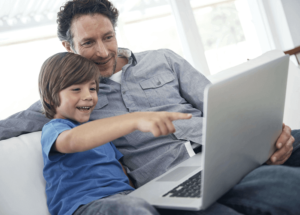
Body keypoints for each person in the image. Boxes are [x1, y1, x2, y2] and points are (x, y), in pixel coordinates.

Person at [0, 0, 299, 214]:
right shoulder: (74, 99)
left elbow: (223, 107)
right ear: (69, 48)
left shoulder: (163, 59)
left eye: (108, 37)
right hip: (174, 180)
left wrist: (269, 131)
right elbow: (19, 123)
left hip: (225, 153)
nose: (103, 52)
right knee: (287, 188)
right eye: (89, 43)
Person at [39, 52, 192, 215]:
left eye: (92, 88)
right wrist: (134, 120)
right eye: (76, 89)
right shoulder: (55, 129)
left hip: (128, 200)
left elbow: (122, 172)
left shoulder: (102, 134)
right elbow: (72, 141)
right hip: (86, 206)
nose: (88, 96)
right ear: (50, 98)